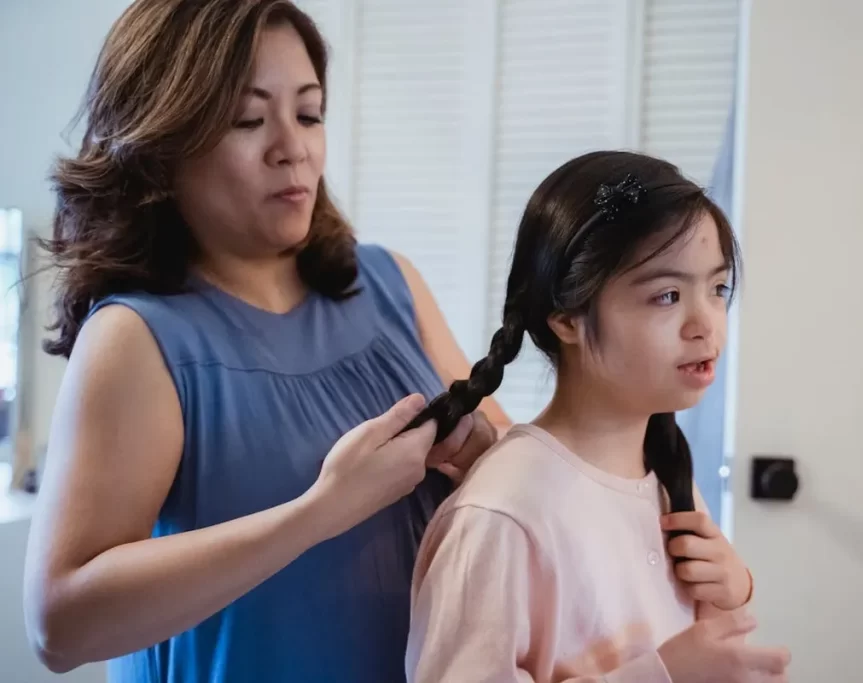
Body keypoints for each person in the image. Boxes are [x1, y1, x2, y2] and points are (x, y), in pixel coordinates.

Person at [21, 2, 509, 682]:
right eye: (248, 120)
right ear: (163, 148)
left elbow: (524, 477)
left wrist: (486, 453)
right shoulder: (138, 339)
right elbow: (59, 626)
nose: (293, 146)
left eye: (309, 114)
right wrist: (318, 512)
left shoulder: (391, 282)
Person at [404, 151, 792, 682]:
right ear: (566, 318)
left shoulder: (664, 475)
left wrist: (730, 597)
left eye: (718, 288)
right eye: (668, 295)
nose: (706, 324)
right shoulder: (501, 515)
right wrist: (661, 675)